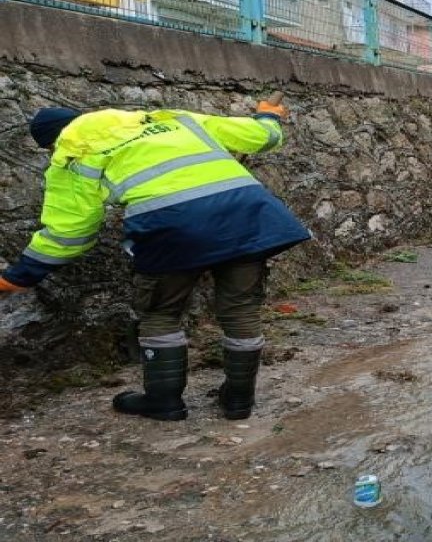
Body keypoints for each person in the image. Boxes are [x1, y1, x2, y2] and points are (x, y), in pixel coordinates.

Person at [0, 100, 311, 422]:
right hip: (246, 215)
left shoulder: (72, 152)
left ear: (52, 142)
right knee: (241, 309)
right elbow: (264, 136)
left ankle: (163, 401)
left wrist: (20, 276)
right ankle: (238, 400)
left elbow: (70, 231)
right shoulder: (172, 118)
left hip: (170, 227)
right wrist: (268, 115)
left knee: (161, 312)